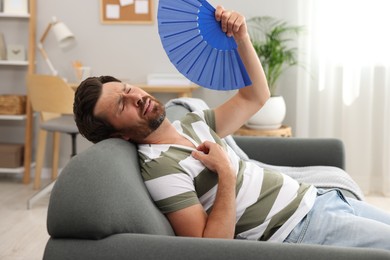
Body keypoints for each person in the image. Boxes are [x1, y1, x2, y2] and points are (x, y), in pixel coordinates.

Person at [73, 6, 390, 250]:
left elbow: (256, 96)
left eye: (128, 89)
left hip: (319, 199)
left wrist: (242, 37)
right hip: (300, 228)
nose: (135, 98)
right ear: (118, 134)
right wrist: (225, 174)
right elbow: (209, 247)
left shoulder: (192, 122)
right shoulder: (161, 170)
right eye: (121, 105)